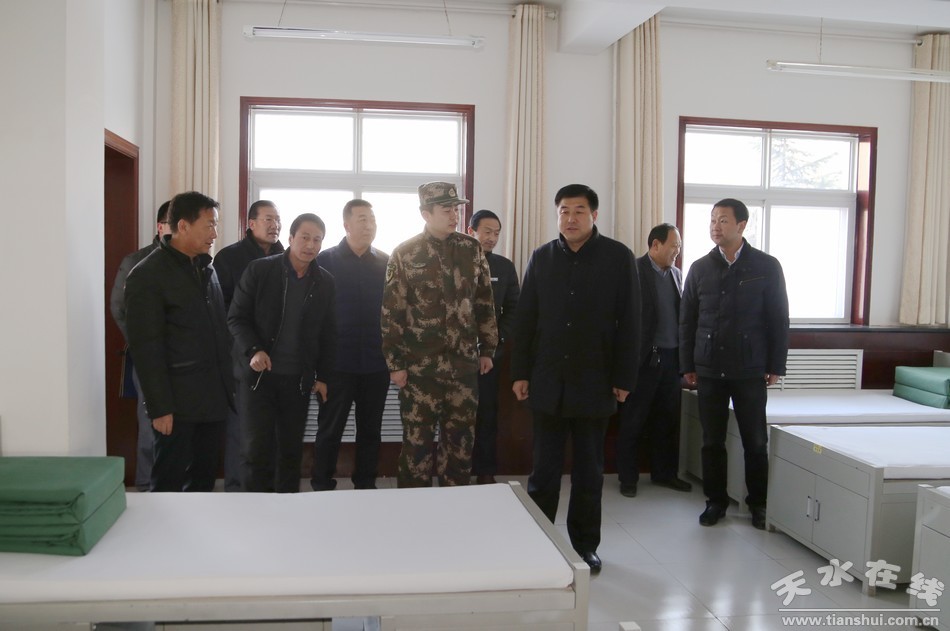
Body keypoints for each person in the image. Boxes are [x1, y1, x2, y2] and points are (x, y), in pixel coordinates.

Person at [511, 184, 640, 573]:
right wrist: (520, 372)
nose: (570, 218)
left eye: (579, 211)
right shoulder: (542, 257)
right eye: (564, 211)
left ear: (594, 215)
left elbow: (631, 322)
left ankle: (585, 546)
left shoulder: (617, 257)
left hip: (595, 381)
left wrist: (624, 377)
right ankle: (539, 541)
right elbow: (525, 319)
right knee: (543, 472)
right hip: (548, 380)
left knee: (589, 472)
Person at [679, 198, 789, 530]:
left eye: (723, 220)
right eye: (712, 220)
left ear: (742, 225)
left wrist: (776, 364)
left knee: (755, 440)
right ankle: (715, 501)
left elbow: (778, 318)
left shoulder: (766, 266)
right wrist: (687, 364)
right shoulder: (700, 267)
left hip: (749, 367)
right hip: (710, 367)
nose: (716, 226)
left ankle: (758, 504)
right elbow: (687, 320)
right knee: (712, 440)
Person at [381, 182, 498, 488]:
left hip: (463, 368)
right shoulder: (405, 253)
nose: (454, 216)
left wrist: (488, 348)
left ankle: (453, 507)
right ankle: (414, 508)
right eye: (447, 210)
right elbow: (392, 313)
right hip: (420, 370)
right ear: (426, 213)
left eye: (456, 209)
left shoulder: (471, 249)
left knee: (460, 446)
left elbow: (484, 301)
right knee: (416, 448)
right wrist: (395, 364)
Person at [125, 191, 234, 492]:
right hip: (176, 402)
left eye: (216, 225)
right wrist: (159, 407)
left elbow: (218, 332)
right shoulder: (147, 274)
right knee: (169, 481)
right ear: (183, 226)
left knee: (203, 478)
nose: (214, 233)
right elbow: (146, 349)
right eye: (209, 225)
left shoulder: (206, 267)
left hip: (212, 397)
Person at [228, 213, 336, 493]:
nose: (310, 245)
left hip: (297, 380)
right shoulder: (260, 270)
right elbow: (236, 317)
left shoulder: (324, 281)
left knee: (290, 450)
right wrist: (254, 349)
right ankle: (255, 508)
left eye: (317, 240)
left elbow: (328, 334)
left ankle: (287, 507)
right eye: (305, 237)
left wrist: (322, 376)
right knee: (255, 449)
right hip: (259, 377)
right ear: (290, 238)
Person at [310, 200, 390, 491]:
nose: (369, 225)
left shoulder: (387, 263)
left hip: (376, 363)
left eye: (372, 220)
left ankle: (365, 484)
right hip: (336, 365)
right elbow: (313, 317)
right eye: (362, 219)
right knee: (330, 429)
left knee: (371, 430)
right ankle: (321, 484)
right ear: (346, 224)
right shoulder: (324, 261)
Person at [617, 224, 692, 498]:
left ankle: (664, 474)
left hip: (671, 359)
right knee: (633, 420)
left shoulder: (676, 275)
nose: (677, 251)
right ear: (656, 245)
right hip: (644, 359)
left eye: (679, 247)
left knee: (667, 420)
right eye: (674, 246)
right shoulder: (634, 271)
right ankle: (628, 478)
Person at [213, 200, 284, 491]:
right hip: (242, 354)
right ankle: (236, 488)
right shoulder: (229, 257)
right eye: (268, 219)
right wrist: (250, 344)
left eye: (278, 219)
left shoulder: (286, 257)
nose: (275, 225)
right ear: (251, 223)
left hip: (279, 357)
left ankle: (270, 489)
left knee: (274, 427)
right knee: (242, 427)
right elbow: (223, 308)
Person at [109, 200, 171, 492]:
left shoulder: (194, 261)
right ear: (160, 227)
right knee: (150, 423)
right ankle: (146, 486)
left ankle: (176, 488)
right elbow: (119, 308)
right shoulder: (136, 261)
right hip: (148, 359)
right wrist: (144, 345)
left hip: (183, 361)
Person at [466, 209, 520, 485]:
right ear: (471, 231)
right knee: (455, 417)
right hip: (455, 357)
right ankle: (455, 472)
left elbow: (514, 309)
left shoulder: (504, 267)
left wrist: (495, 341)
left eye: (496, 233)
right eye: (487, 231)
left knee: (487, 415)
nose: (492, 238)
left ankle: (485, 471)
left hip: (489, 357)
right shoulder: (456, 262)